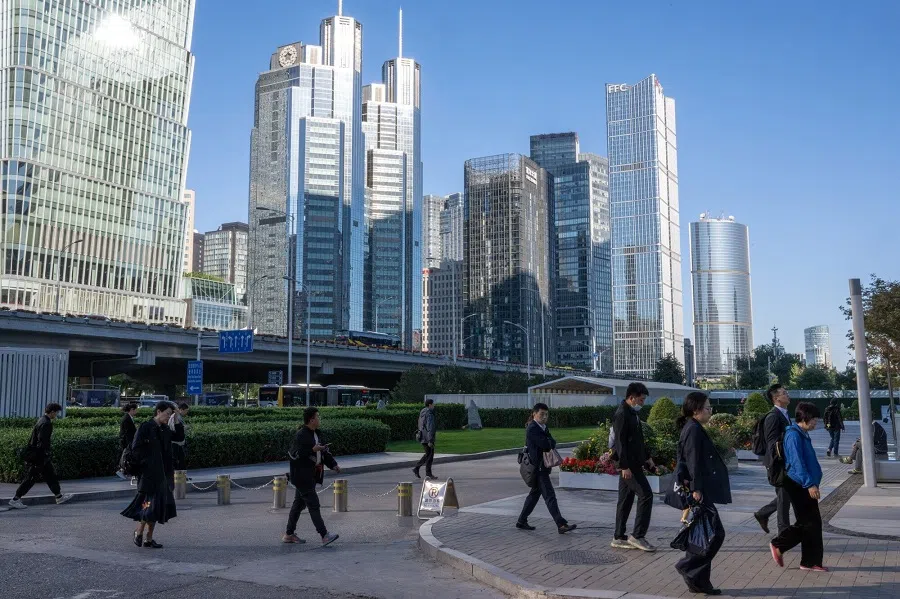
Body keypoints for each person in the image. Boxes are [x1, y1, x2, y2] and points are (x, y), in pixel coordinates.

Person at [675, 391, 731, 596]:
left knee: (703, 536)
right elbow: (693, 460)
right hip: (700, 491)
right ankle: (688, 566)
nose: (710, 411)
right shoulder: (693, 429)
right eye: (708, 408)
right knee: (715, 534)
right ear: (696, 410)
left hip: (701, 489)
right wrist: (697, 488)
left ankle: (699, 583)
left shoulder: (694, 427)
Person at [770, 402, 827, 572]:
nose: (816, 422)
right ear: (805, 417)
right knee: (808, 523)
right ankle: (779, 545)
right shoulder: (793, 435)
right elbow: (797, 463)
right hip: (798, 483)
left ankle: (810, 562)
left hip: (804, 482)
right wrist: (809, 484)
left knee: (812, 523)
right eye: (814, 419)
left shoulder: (802, 434)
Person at [121, 401, 178, 548]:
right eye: (167, 414)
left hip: (163, 475)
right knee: (148, 506)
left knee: (156, 507)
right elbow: (135, 449)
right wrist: (147, 463)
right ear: (158, 412)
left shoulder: (165, 429)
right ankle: (139, 532)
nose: (168, 417)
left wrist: (176, 420)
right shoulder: (146, 427)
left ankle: (148, 538)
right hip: (148, 475)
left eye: (170, 415)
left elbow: (179, 438)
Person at [283, 407, 340, 547]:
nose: (319, 419)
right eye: (317, 417)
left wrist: (333, 465)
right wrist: (311, 450)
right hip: (302, 476)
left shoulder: (317, 434)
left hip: (311, 475)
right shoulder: (301, 435)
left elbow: (323, 453)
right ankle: (324, 535)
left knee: (298, 505)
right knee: (313, 505)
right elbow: (294, 454)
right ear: (311, 419)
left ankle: (288, 535)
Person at [516, 403, 576, 534]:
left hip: (541, 467)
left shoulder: (543, 427)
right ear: (534, 413)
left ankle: (521, 521)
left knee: (534, 495)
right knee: (550, 496)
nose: (544, 417)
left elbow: (552, 442)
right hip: (538, 469)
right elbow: (546, 443)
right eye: (541, 414)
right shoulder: (532, 428)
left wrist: (549, 441)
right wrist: (548, 441)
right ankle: (561, 525)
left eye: (546, 415)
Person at [611, 382, 657, 552]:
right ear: (631, 398)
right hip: (628, 465)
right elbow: (620, 442)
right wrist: (624, 466)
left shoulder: (632, 413)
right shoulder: (622, 414)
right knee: (646, 495)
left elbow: (637, 439)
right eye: (641, 399)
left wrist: (647, 458)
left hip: (634, 463)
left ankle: (618, 536)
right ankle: (638, 536)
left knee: (625, 500)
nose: (643, 402)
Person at [8, 403, 73, 509]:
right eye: (56, 412)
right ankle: (15, 499)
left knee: (51, 476)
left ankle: (59, 496)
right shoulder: (47, 423)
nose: (56, 415)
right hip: (39, 456)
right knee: (31, 478)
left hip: (40, 455)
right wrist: (44, 454)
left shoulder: (41, 420)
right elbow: (42, 441)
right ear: (52, 412)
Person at [753, 384, 792, 535]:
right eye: (784, 393)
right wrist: (780, 462)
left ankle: (763, 514)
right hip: (778, 463)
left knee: (787, 495)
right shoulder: (773, 416)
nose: (787, 394)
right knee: (784, 496)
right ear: (776, 398)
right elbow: (772, 443)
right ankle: (784, 532)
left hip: (785, 461)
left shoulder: (784, 414)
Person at [413, 399, 437, 479]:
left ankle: (417, 469)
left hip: (422, 436)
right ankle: (427, 473)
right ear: (430, 405)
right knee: (430, 455)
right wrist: (430, 439)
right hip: (428, 437)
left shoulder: (422, 413)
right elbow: (430, 427)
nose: (434, 406)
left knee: (428, 454)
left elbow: (420, 424)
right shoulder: (429, 414)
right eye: (433, 404)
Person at [116, 402, 139, 480]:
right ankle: (121, 470)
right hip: (126, 442)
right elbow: (127, 433)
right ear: (132, 410)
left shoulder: (128, 418)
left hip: (127, 442)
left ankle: (124, 471)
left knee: (125, 457)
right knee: (125, 457)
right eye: (136, 410)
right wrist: (131, 443)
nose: (137, 411)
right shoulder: (127, 419)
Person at [168, 403, 189, 471]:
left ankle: (182, 476)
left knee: (181, 461)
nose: (186, 412)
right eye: (186, 410)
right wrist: (184, 428)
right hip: (176, 443)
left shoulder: (177, 416)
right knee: (178, 461)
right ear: (180, 410)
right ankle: (179, 476)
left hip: (178, 442)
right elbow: (175, 429)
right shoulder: (175, 417)